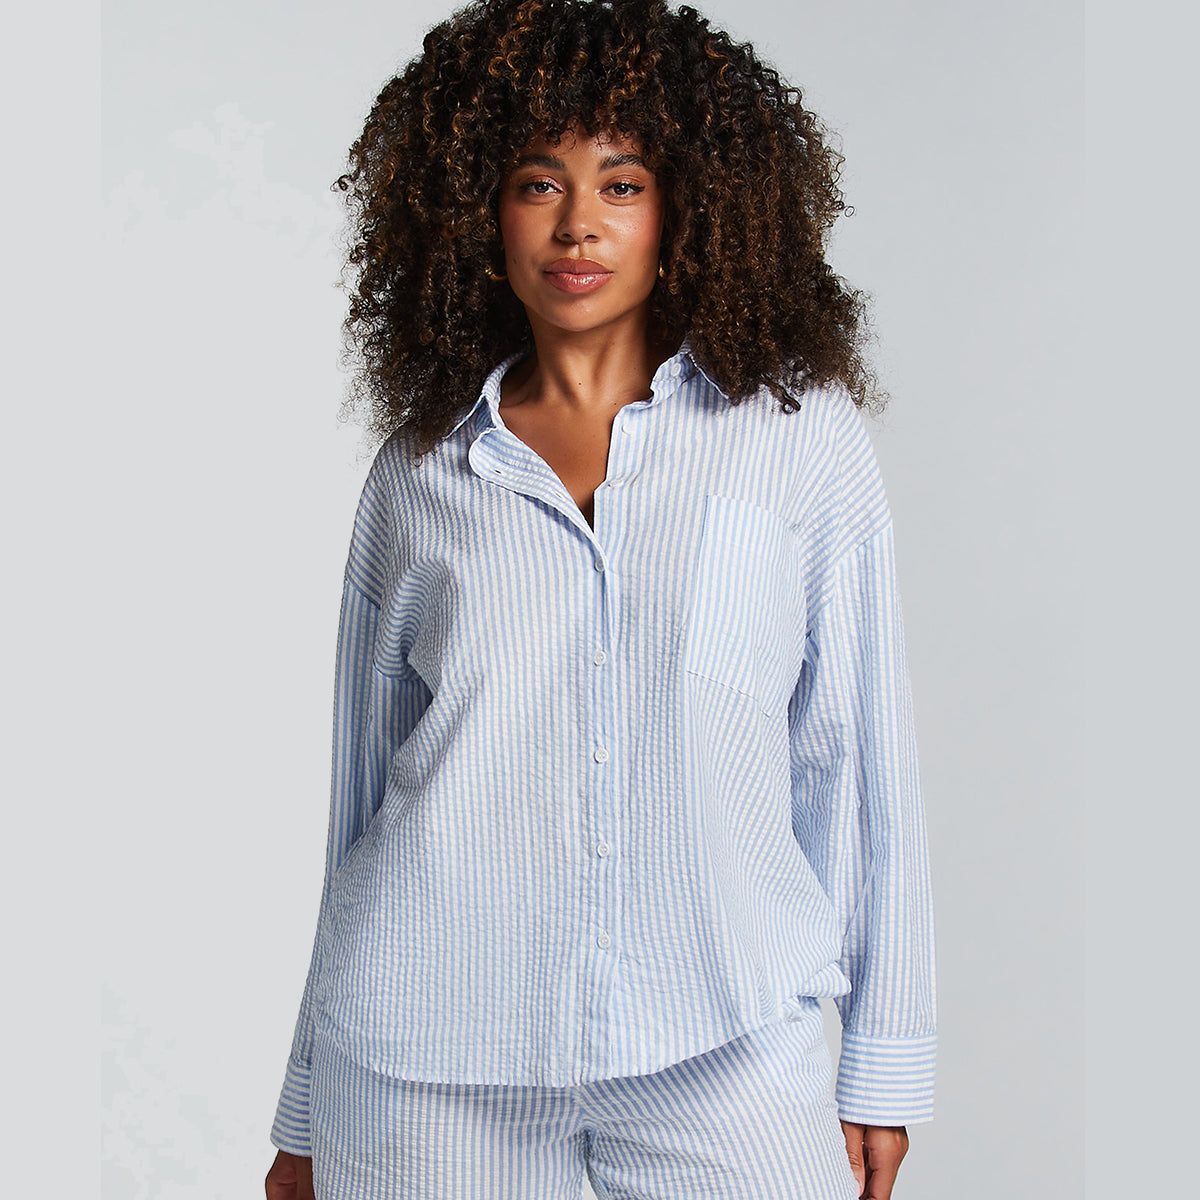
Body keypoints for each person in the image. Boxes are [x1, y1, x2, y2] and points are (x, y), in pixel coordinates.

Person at [264, 0, 936, 1196]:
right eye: (539, 183)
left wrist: (884, 1059)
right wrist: (306, 1105)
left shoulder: (798, 439)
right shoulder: (421, 472)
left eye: (622, 184)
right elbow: (360, 800)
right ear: (480, 211)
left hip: (722, 1030)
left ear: (686, 209)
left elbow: (855, 756)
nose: (578, 223)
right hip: (427, 1056)